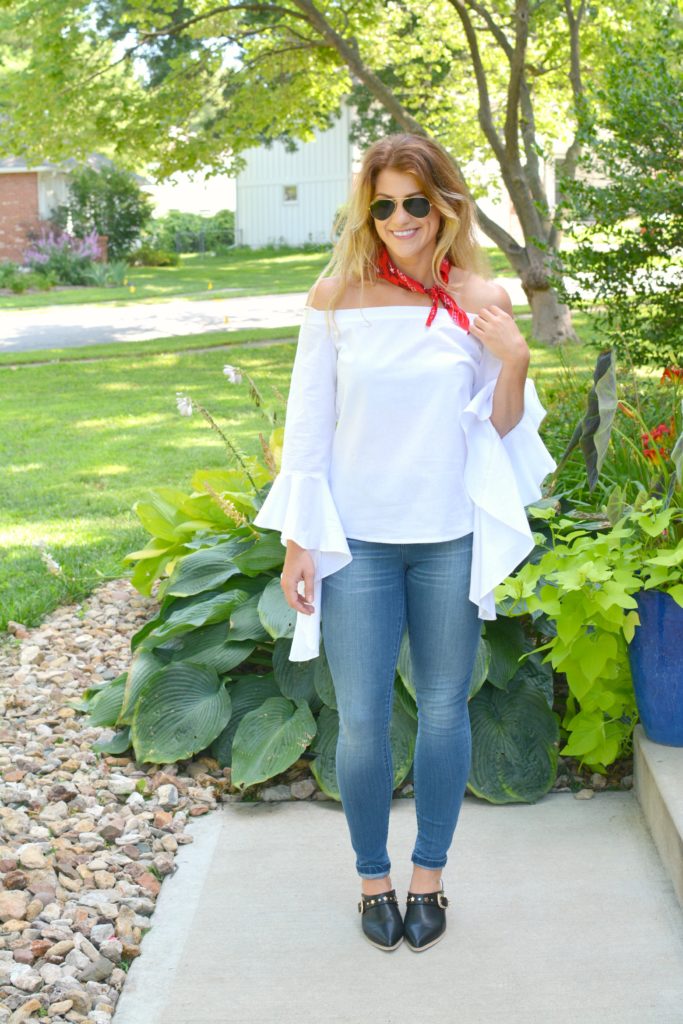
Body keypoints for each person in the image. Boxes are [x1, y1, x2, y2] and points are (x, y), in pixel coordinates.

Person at [253, 133, 556, 953]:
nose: (398, 219)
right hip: (358, 544)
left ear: (445, 205)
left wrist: (514, 359)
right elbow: (307, 425)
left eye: (414, 202)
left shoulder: (477, 294)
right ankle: (370, 880)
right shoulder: (334, 297)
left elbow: (495, 430)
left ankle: (429, 874)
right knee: (360, 720)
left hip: (448, 535)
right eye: (381, 204)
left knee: (445, 710)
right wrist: (299, 540)